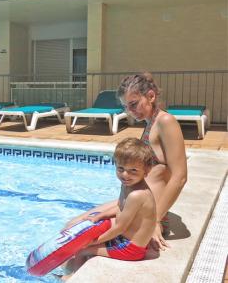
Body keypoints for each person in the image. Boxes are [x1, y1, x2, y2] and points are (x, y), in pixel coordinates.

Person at [65, 73, 187, 251]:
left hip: (148, 215)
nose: (130, 111)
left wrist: (155, 220)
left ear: (151, 96)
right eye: (126, 107)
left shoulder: (165, 121)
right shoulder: (150, 123)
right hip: (135, 204)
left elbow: (180, 177)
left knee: (77, 236)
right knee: (73, 226)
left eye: (134, 104)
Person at [63, 138, 157, 279]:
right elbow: (120, 207)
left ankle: (75, 277)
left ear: (147, 170)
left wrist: (95, 242)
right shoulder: (127, 185)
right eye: (121, 169)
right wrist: (100, 215)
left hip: (131, 248)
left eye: (133, 170)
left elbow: (120, 227)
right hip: (123, 239)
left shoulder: (137, 195)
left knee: (82, 250)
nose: (125, 175)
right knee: (85, 239)